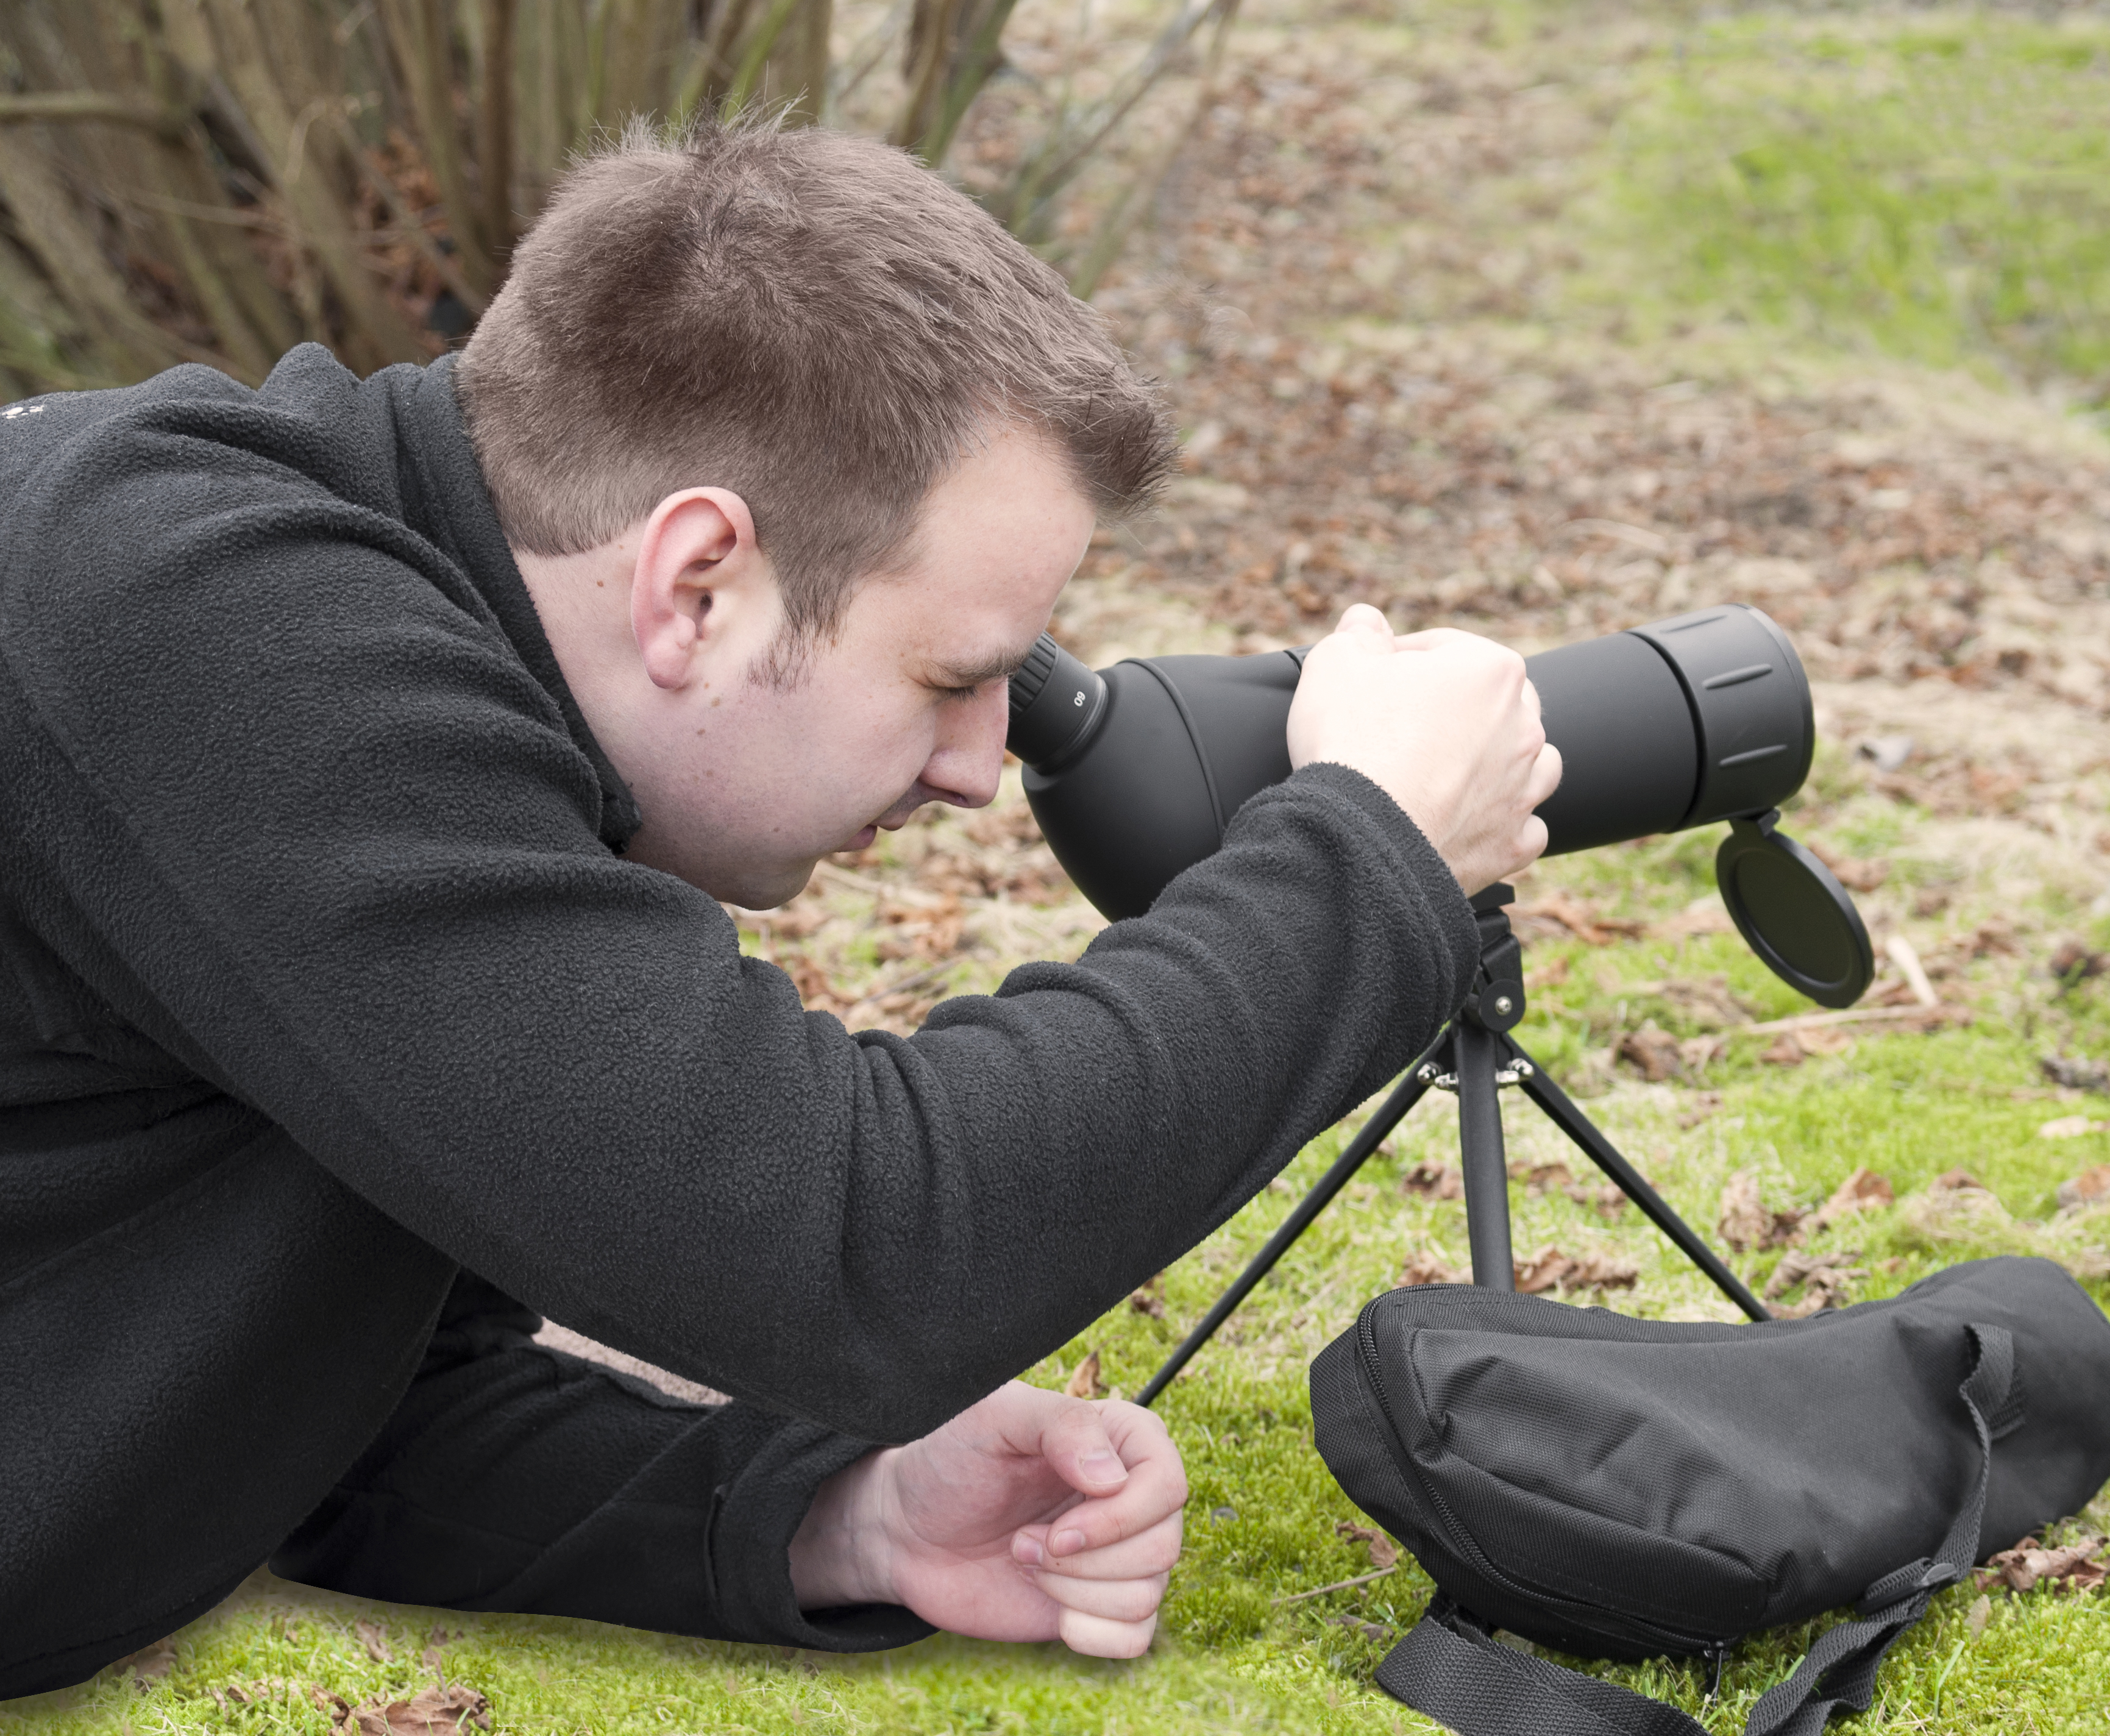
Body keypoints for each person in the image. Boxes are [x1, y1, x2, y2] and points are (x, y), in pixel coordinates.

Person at [0, 119, 1561, 1696]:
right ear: (695, 585)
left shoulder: (377, 656)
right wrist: (1373, 859)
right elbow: (856, 1250)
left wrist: (839, 1513)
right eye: (956, 679)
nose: (980, 768)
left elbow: (348, 1418)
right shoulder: (202, 624)